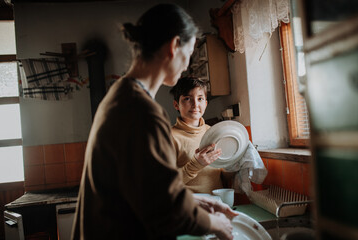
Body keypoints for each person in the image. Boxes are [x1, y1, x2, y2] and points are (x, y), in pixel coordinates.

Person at [71, 3, 237, 240]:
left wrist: (198, 202)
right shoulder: (143, 111)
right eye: (188, 54)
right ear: (173, 46)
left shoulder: (122, 95)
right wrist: (215, 224)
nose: (186, 65)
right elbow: (164, 209)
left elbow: (151, 190)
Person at [170, 77, 234, 194]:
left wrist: (235, 165)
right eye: (187, 98)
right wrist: (196, 164)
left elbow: (222, 176)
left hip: (217, 204)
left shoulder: (215, 132)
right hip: (187, 207)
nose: (195, 104)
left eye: (200, 98)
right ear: (176, 105)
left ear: (205, 103)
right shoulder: (167, 137)